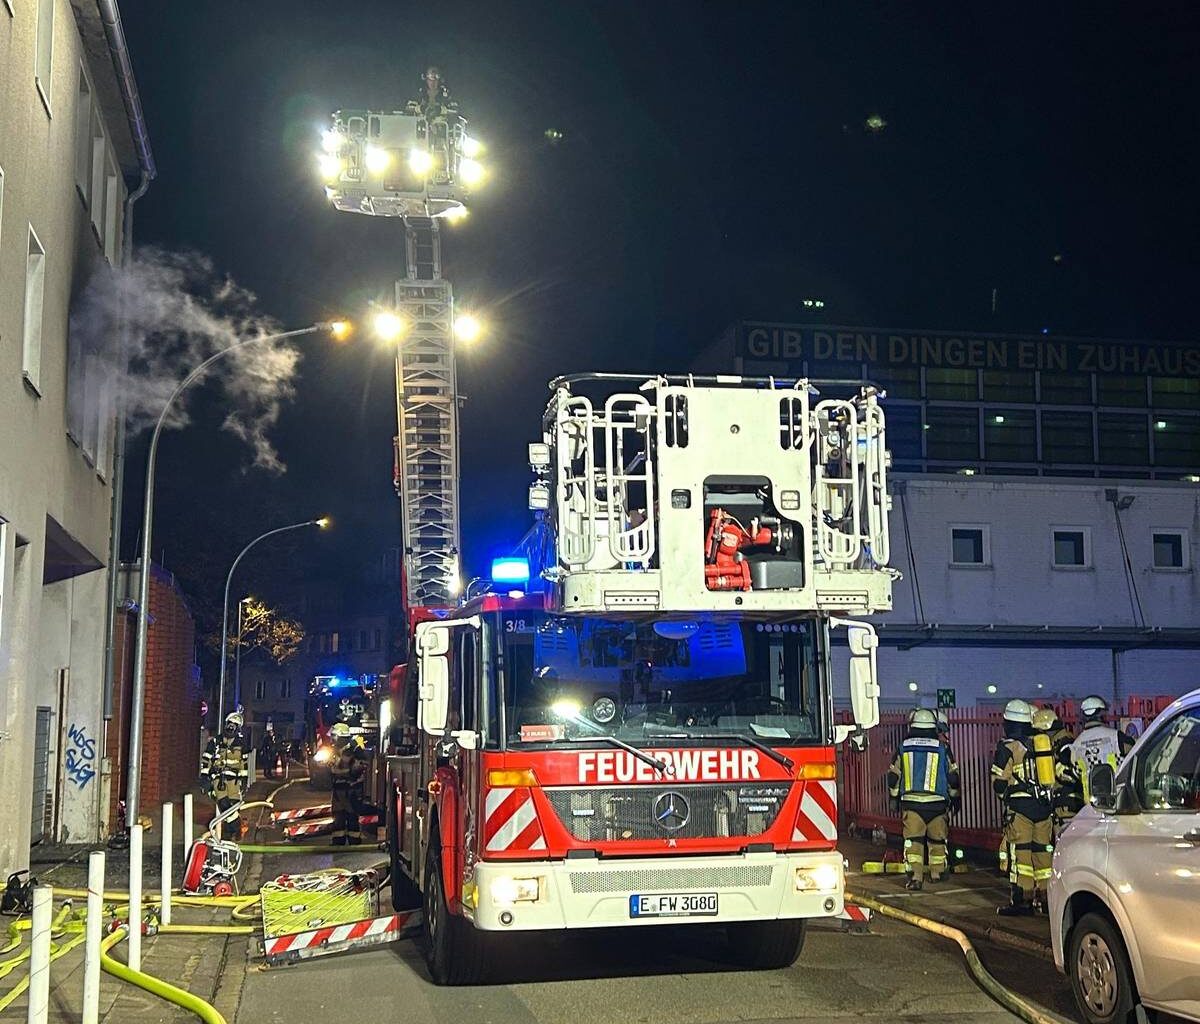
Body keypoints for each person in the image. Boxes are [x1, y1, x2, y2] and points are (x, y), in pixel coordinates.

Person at [991, 699, 1053, 915]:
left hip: (1021, 809)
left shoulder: (1007, 748)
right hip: (1044, 808)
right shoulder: (1041, 743)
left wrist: (1006, 798)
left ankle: (1022, 901)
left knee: (1021, 855)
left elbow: (998, 782)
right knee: (1043, 855)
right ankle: (1046, 900)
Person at [887, 708, 960, 890]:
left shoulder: (903, 747)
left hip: (911, 805)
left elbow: (893, 777)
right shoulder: (942, 748)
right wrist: (955, 797)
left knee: (914, 842)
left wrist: (894, 798)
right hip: (937, 805)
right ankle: (937, 873)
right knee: (937, 841)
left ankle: (915, 878)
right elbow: (953, 777)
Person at [1066, 695, 1136, 805]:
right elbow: (1135, 752)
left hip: (1090, 804)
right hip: (1117, 799)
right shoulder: (1115, 736)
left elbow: (1075, 772)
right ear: (1101, 715)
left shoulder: (1076, 744)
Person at [200, 711, 248, 840]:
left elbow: (244, 764)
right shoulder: (216, 742)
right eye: (230, 724)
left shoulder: (241, 745)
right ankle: (235, 828)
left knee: (234, 807)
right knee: (224, 804)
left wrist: (244, 780)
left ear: (238, 728)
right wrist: (204, 777)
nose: (231, 727)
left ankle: (231, 831)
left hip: (235, 782)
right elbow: (206, 759)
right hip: (219, 779)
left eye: (235, 725)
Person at [329, 722, 366, 846]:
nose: (332, 739)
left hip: (351, 791)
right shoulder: (336, 750)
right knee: (338, 818)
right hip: (339, 791)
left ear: (341, 737)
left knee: (352, 818)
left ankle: (354, 844)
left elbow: (360, 767)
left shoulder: (354, 749)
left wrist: (344, 772)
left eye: (334, 736)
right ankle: (338, 843)